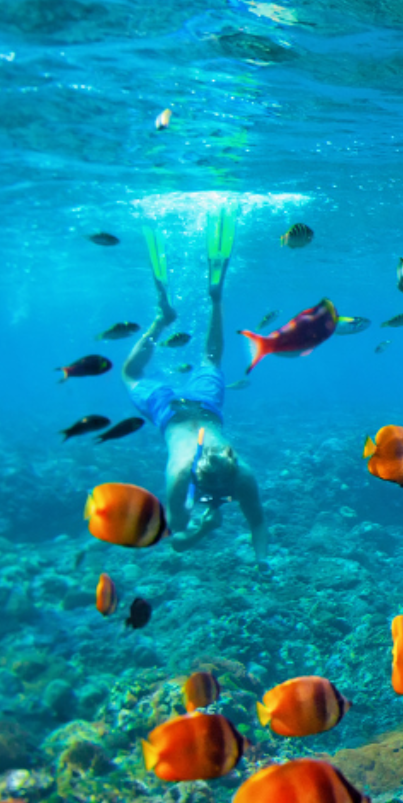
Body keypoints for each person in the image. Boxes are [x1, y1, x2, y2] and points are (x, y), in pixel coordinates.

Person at [121, 209, 268, 559]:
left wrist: (260, 562)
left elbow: (177, 535)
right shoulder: (195, 474)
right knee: (147, 373)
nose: (215, 495)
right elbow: (181, 542)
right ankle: (195, 306)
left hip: (200, 406)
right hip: (173, 411)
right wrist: (204, 529)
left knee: (200, 362)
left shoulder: (216, 475)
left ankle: (178, 314)